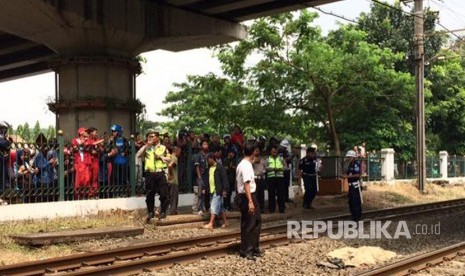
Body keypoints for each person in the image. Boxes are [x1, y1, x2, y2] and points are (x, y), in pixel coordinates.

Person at [136, 128, 171, 222]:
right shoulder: (147, 148)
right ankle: (150, 212)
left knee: (164, 193)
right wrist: (146, 146)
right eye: (148, 137)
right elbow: (138, 155)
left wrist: (161, 157)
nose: (150, 138)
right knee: (149, 194)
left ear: (157, 137)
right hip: (150, 173)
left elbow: (169, 159)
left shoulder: (163, 148)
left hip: (160, 172)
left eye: (152, 136)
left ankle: (163, 211)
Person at [236, 141, 262, 260]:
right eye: (256, 151)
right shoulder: (245, 165)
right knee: (250, 223)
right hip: (248, 196)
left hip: (249, 195)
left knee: (256, 221)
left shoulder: (245, 163)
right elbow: (246, 183)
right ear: (252, 153)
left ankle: (254, 247)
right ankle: (246, 250)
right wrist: (250, 201)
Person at [203, 153, 229, 229]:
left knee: (213, 207)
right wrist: (205, 188)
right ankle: (225, 222)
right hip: (211, 191)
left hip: (217, 191)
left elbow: (224, 178)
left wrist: (225, 189)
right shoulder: (209, 168)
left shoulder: (220, 167)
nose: (207, 162)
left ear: (211, 158)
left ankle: (210, 224)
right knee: (220, 208)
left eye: (208, 160)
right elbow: (207, 180)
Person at [341, 150, 363, 221]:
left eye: (350, 157)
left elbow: (357, 175)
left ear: (353, 157)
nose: (348, 158)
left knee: (355, 201)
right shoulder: (349, 164)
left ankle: (357, 216)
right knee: (351, 202)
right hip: (350, 186)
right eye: (348, 157)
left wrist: (347, 176)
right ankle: (353, 215)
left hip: (355, 185)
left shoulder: (356, 164)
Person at [266, 145, 287, 214]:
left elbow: (285, 167)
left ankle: (282, 209)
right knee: (271, 194)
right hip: (271, 178)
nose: (274, 153)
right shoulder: (268, 159)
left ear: (277, 152)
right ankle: (271, 209)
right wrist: (271, 169)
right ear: (270, 152)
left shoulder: (281, 158)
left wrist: (280, 169)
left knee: (281, 194)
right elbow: (265, 168)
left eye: (276, 152)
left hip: (280, 177)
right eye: (273, 152)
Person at [253, 146, 267, 214]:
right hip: (254, 179)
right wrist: (253, 161)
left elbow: (266, 167)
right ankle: (255, 210)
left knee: (261, 195)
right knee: (255, 195)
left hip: (261, 178)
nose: (257, 152)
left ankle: (262, 209)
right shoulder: (251, 159)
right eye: (255, 150)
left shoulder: (263, 159)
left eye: (258, 150)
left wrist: (263, 171)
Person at [168, 146, 180, 215]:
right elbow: (170, 166)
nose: (180, 154)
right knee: (174, 198)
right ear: (176, 151)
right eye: (179, 152)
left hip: (168, 180)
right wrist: (172, 175)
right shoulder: (174, 158)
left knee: (167, 197)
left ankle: (159, 210)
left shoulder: (168, 157)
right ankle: (173, 212)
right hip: (174, 181)